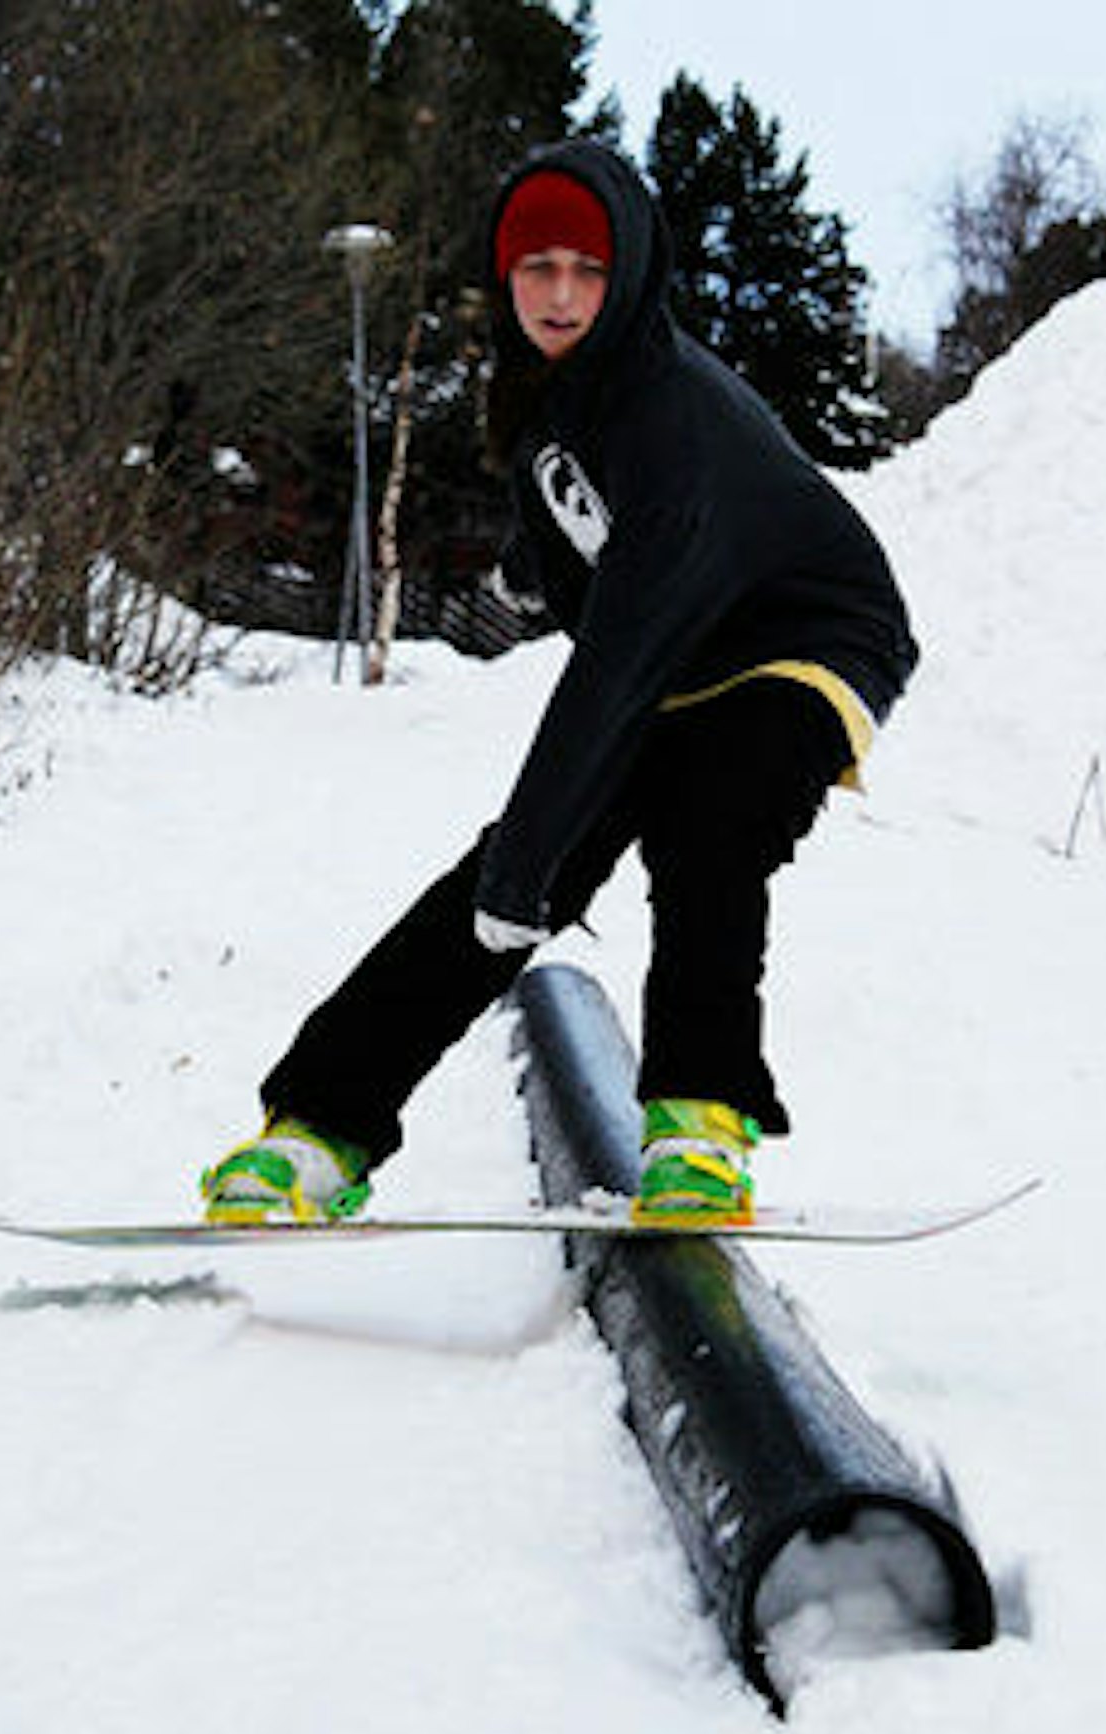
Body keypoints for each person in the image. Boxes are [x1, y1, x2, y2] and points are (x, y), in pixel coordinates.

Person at [200, 139, 917, 1229]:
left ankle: (699, 1124)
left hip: (803, 636)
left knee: (705, 816)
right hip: (678, 648)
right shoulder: (551, 399)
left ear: (626, 274)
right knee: (497, 877)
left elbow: (610, 670)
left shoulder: (670, 414)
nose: (561, 294)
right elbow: (577, 541)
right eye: (537, 267)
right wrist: (527, 578)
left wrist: (525, 873)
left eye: (586, 270)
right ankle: (315, 1128)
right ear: (505, 275)